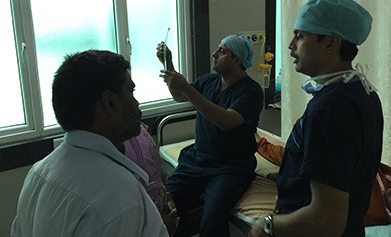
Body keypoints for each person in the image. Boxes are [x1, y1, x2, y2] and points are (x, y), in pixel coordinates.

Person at [250, 0, 383, 237]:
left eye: (300, 36)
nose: (291, 44)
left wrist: (268, 226)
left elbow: (325, 221)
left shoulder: (331, 109)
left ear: (331, 43)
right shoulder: (363, 91)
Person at [11, 50, 169, 236]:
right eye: (131, 92)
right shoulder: (118, 195)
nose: (136, 103)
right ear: (110, 103)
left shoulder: (39, 171)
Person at [156, 34, 264, 236]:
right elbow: (179, 96)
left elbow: (225, 121)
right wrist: (168, 62)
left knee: (212, 218)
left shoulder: (251, 92)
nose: (215, 54)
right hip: (198, 160)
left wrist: (187, 87)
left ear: (237, 60)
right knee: (165, 205)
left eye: (222, 51)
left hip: (230, 167)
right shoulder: (209, 81)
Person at [256, 134, 391, 226]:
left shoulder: (373, 213)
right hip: (344, 166)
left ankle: (261, 146)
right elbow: (372, 163)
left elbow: (329, 210)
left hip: (326, 179)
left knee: (303, 157)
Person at [123, 122, 179, 235]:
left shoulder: (139, 130)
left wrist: (166, 194)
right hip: (144, 214)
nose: (135, 104)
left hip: (160, 203)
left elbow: (155, 167)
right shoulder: (113, 145)